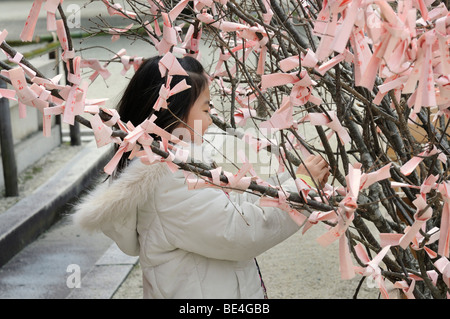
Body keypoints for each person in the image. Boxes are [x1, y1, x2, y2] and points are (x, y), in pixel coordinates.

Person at [73, 55, 330, 299]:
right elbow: (239, 232)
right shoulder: (169, 179)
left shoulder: (174, 167)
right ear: (173, 112)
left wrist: (291, 185)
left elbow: (232, 211)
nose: (209, 120)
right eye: (206, 109)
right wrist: (300, 188)